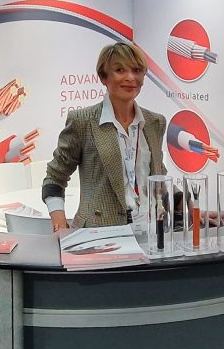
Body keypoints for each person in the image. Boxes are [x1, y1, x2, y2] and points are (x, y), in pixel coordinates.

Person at [43, 42, 167, 230]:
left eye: (137, 70)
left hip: (149, 231)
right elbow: (55, 177)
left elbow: (159, 177)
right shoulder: (83, 121)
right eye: (119, 70)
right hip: (98, 234)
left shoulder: (155, 123)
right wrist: (59, 223)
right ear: (103, 77)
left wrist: (193, 208)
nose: (130, 77)